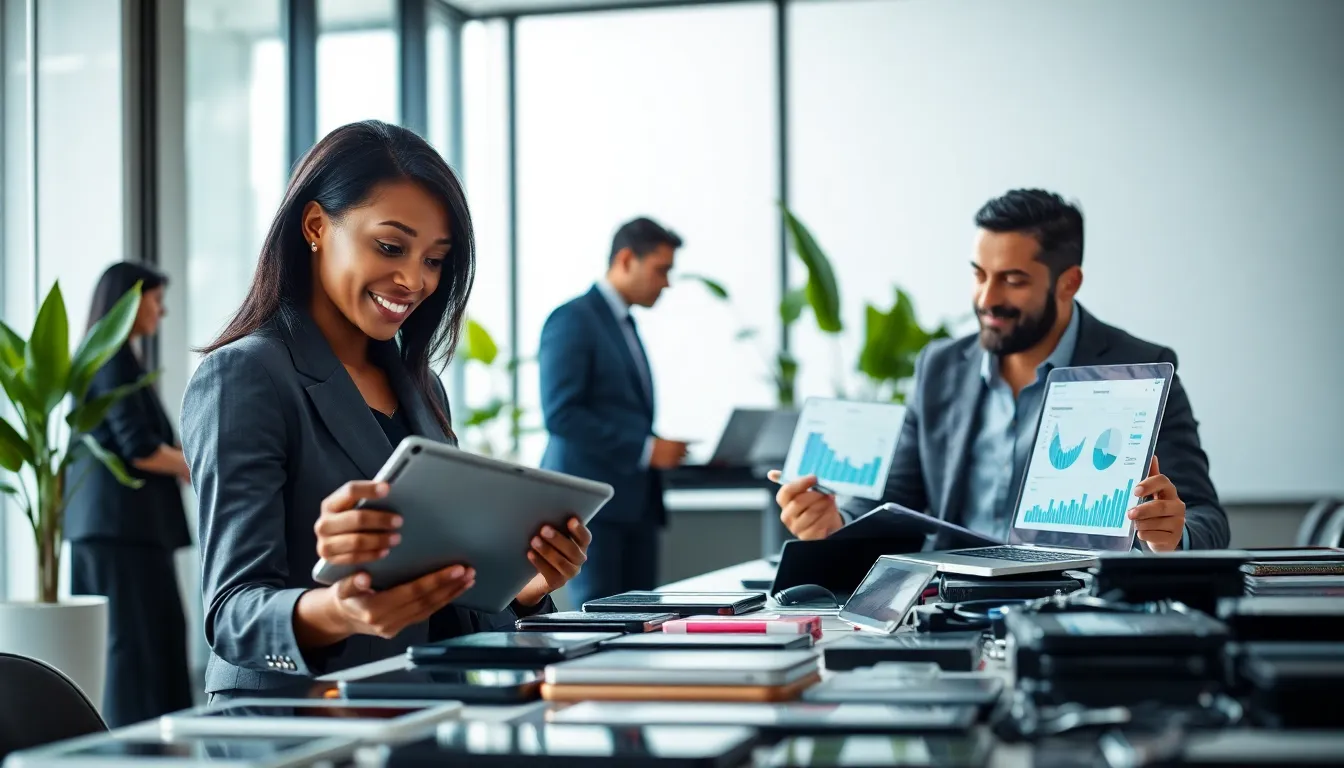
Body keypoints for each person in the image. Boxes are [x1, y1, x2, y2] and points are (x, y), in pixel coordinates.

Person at [180, 121, 588, 700]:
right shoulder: (245, 375)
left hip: (416, 707)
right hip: (288, 723)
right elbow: (232, 615)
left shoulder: (424, 390)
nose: (414, 280)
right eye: (391, 247)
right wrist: (338, 610)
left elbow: (447, 610)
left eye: (435, 260)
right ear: (316, 227)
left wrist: (521, 586)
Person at [770, 189, 1230, 551]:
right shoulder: (941, 367)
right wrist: (835, 523)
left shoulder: (1137, 369)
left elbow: (1206, 519)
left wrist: (1170, 534)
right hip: (953, 608)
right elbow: (894, 502)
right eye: (979, 275)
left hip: (1077, 602)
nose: (987, 299)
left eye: (1012, 280)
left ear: (1068, 283)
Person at [64, 262, 193, 727]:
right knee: (137, 644)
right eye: (156, 299)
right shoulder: (111, 357)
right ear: (131, 301)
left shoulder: (112, 357)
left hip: (117, 528)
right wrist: (194, 466)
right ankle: (142, 745)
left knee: (139, 642)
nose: (162, 310)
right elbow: (137, 447)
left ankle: (150, 740)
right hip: (121, 530)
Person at [538, 217, 689, 606]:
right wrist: (645, 448)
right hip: (594, 507)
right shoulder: (573, 319)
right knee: (603, 620)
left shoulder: (623, 323)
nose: (667, 283)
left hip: (633, 504)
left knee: (641, 623)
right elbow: (561, 414)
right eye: (661, 270)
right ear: (626, 259)